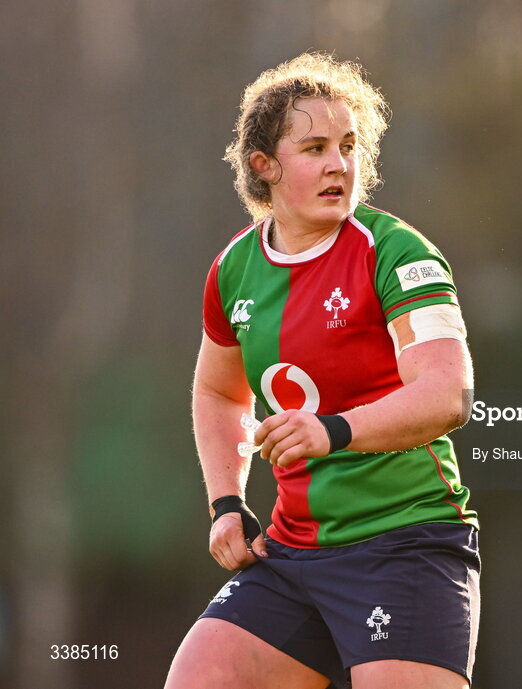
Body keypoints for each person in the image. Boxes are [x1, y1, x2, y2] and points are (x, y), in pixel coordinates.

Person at [164, 53, 480, 689]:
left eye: (349, 145)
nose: (340, 164)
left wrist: (331, 430)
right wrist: (226, 502)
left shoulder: (395, 250)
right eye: (315, 147)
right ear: (265, 166)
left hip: (404, 546)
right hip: (293, 554)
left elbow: (448, 394)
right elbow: (217, 390)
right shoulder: (233, 270)